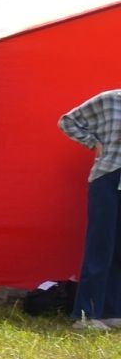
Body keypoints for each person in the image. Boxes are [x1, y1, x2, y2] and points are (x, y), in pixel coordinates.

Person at [60, 88, 121, 325]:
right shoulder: (109, 99)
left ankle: (112, 311)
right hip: (107, 177)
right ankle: (86, 314)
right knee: (100, 246)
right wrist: (93, 143)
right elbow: (67, 120)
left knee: (118, 249)